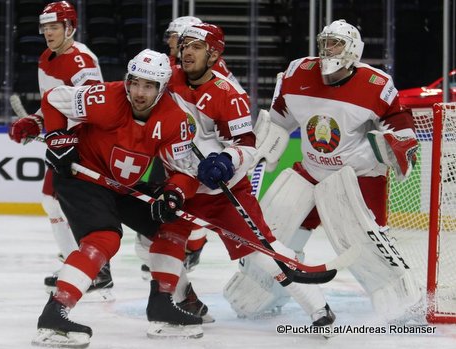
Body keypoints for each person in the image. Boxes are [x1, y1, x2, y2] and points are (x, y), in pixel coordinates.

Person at [144, 22, 336, 339]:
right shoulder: (168, 80)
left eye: (196, 46)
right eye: (184, 45)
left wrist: (225, 160)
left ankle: (318, 308)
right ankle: (184, 305)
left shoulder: (228, 94)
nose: (186, 51)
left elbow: (246, 144)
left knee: (261, 252)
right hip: (180, 186)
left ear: (214, 53)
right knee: (163, 245)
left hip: (223, 191)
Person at [225, 19, 422, 324]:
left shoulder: (376, 84)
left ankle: (402, 302)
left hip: (358, 176)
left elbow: (398, 122)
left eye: (336, 43)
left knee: (364, 243)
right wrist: (263, 143)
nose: (328, 50)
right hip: (311, 169)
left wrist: (401, 144)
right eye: (325, 42)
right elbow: (280, 118)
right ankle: (262, 292)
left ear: (353, 50)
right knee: (274, 231)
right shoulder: (298, 73)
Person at [31, 49, 204, 348]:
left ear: (162, 88)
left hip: (122, 186)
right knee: (104, 238)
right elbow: (53, 99)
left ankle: (162, 305)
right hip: (82, 175)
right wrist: (58, 136)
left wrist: (174, 192)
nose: (138, 92)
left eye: (148, 86)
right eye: (134, 82)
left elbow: (185, 172)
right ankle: (54, 314)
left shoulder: (176, 121)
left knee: (174, 225)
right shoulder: (106, 98)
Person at [7, 1, 113, 300]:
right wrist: (35, 120)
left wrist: (70, 137)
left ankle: (94, 269)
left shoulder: (81, 60)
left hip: (83, 142)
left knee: (62, 203)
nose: (49, 33)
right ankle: (85, 266)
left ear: (70, 27)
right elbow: (52, 102)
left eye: (55, 27)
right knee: (54, 202)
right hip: (62, 141)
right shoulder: (46, 58)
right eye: (45, 27)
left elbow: (92, 105)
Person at [138, 16, 244, 277]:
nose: (172, 43)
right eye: (175, 39)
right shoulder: (173, 69)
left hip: (199, 158)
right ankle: (177, 257)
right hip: (170, 152)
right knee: (164, 215)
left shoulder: (216, 75)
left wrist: (229, 154)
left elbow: (232, 115)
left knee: (188, 212)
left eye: (177, 37)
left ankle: (191, 249)